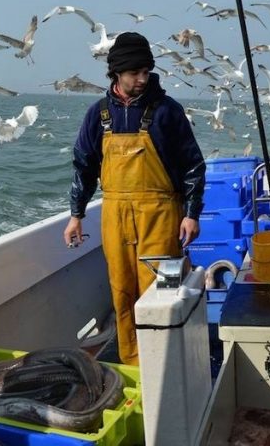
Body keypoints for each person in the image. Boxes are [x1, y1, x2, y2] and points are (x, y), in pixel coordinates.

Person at [63, 32, 206, 366]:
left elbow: (193, 166)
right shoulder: (98, 115)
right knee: (122, 291)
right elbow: (84, 166)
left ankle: (166, 365)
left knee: (159, 293)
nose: (143, 79)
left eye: (146, 71)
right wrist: (76, 214)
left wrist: (192, 213)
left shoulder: (167, 112)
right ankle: (135, 365)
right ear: (116, 72)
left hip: (160, 214)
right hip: (115, 214)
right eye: (134, 73)